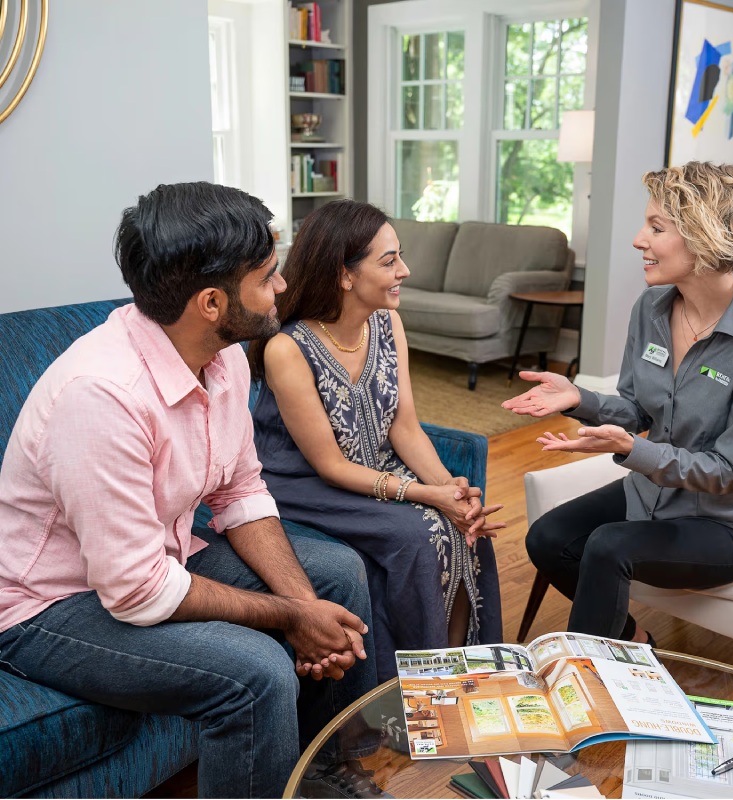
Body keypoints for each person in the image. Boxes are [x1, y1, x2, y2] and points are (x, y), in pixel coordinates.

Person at [0, 182, 385, 799]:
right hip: (48, 605)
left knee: (338, 574)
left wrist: (308, 609)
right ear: (211, 302)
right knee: (258, 673)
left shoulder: (222, 353)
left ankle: (323, 777)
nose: (283, 285)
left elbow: (241, 490)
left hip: (154, 559)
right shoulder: (100, 397)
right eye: (267, 275)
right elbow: (137, 591)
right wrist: (294, 615)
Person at [502, 161, 733, 645]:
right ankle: (634, 642)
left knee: (608, 546)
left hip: (725, 524)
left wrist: (630, 449)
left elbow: (727, 471)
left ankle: (585, 677)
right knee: (547, 537)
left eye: (656, 228)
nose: (639, 240)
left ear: (705, 236)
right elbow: (637, 410)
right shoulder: (653, 307)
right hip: (653, 495)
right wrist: (580, 397)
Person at [248, 199, 504, 681]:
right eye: (389, 262)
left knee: (467, 528)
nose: (404, 270)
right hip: (303, 483)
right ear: (344, 275)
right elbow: (330, 465)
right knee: (419, 535)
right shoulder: (287, 348)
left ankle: (462, 671)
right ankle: (416, 688)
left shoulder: (387, 323)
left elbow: (405, 427)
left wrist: (449, 488)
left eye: (399, 256)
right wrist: (426, 495)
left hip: (374, 467)